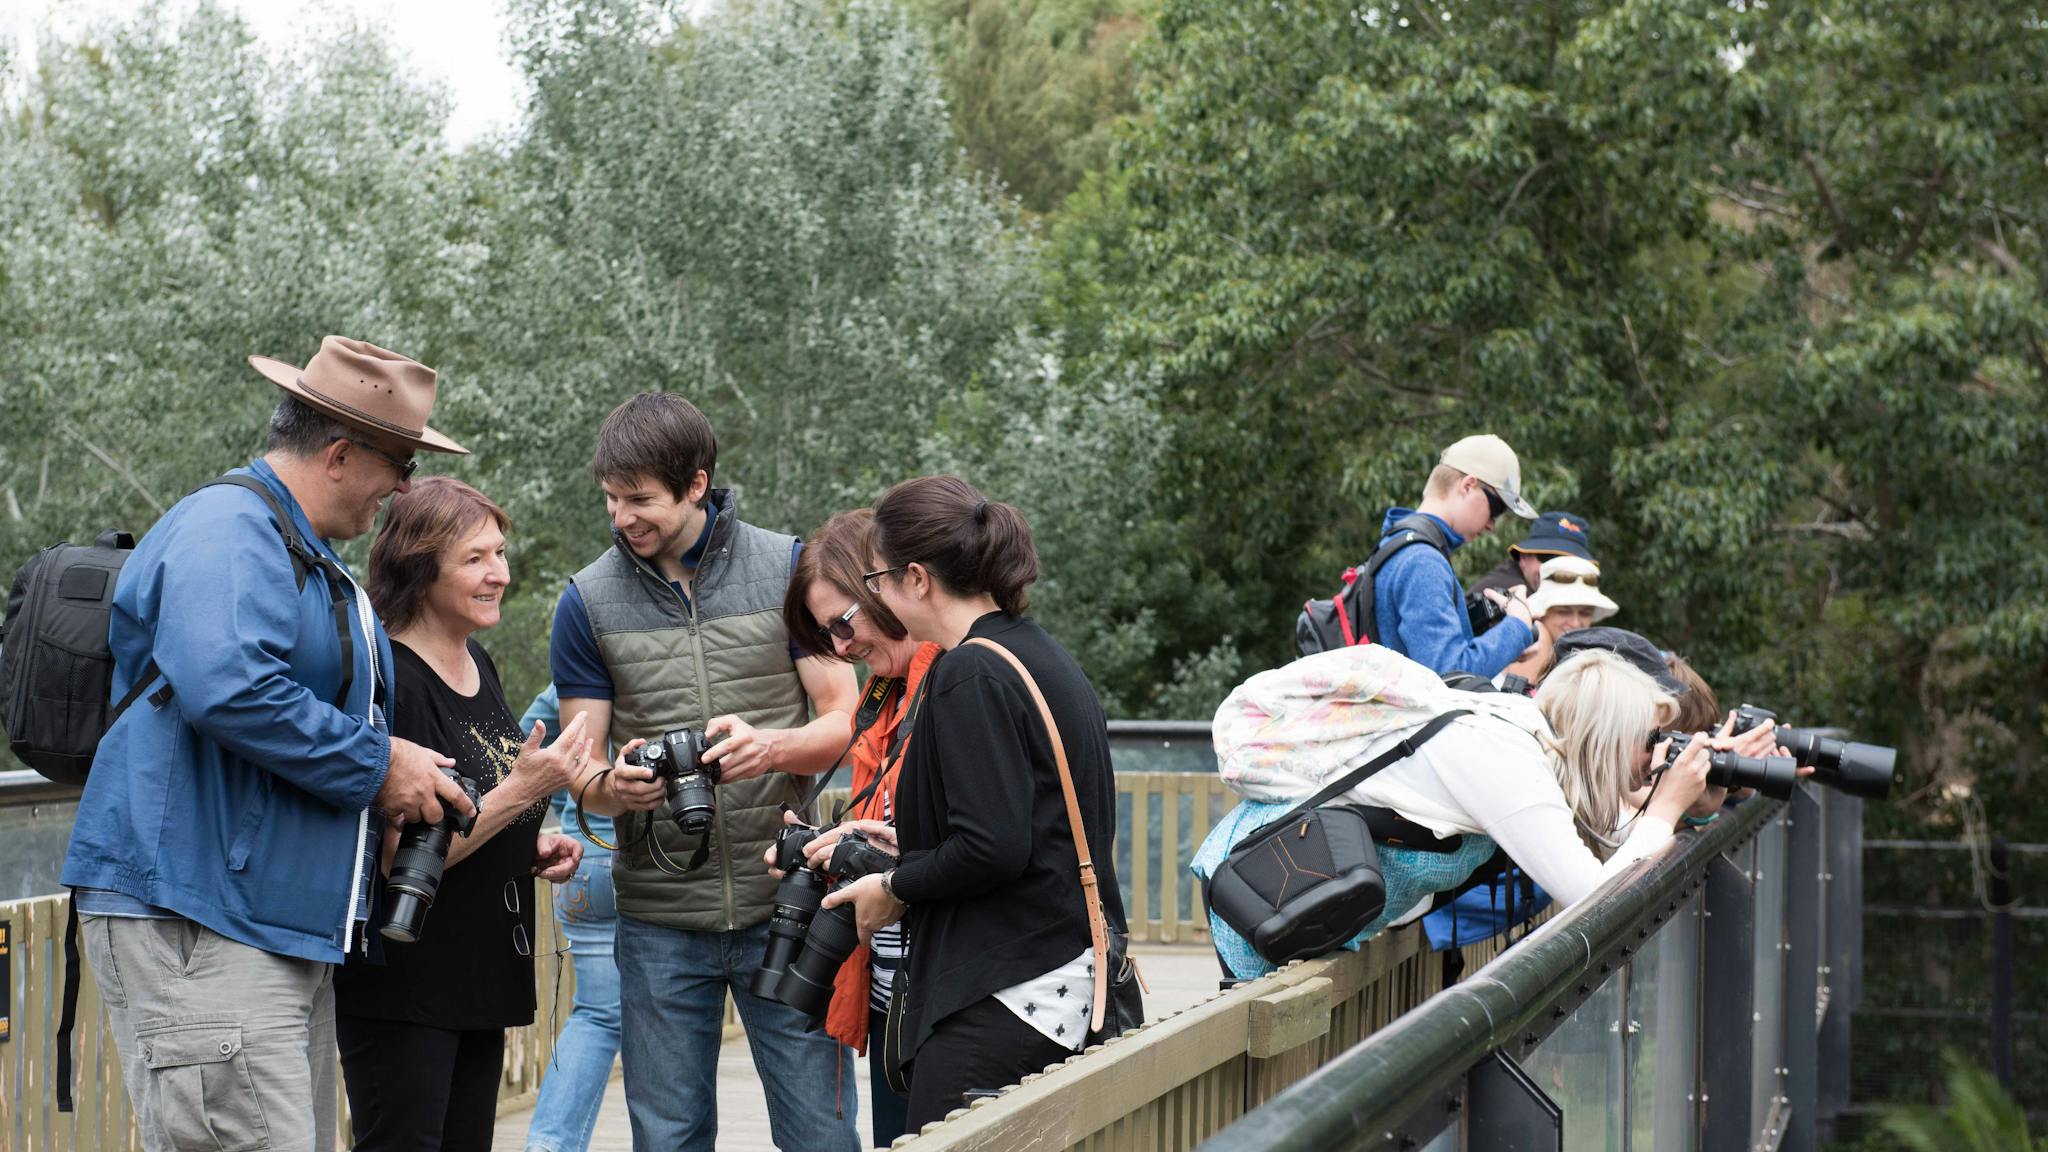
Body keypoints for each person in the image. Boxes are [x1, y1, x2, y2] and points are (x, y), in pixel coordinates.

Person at [62, 336, 479, 1152]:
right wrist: (379, 766)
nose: (404, 487)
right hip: (195, 913)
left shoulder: (297, 546)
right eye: (399, 464)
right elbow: (231, 686)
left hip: (258, 922)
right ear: (338, 454)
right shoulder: (230, 526)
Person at [553, 393, 862, 1152]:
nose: (622, 517)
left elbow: (841, 718)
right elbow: (579, 763)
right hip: (658, 918)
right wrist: (610, 786)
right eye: (611, 499)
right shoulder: (584, 602)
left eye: (640, 499)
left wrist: (771, 748)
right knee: (668, 1140)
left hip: (787, 906)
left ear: (696, 484)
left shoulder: (789, 568)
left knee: (820, 1136)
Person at [821, 476, 1132, 1130]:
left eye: (876, 580)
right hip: (1057, 975)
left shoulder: (969, 672)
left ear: (916, 578)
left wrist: (894, 887)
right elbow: (1017, 824)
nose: (875, 595)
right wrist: (901, 850)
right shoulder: (1034, 653)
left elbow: (993, 847)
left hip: (1005, 995)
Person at [1191, 646, 1724, 980]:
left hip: (1300, 916)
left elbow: (1608, 840)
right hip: (1265, 894)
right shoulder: (1504, 758)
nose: (1653, 753)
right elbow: (1594, 896)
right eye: (1647, 740)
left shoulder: (1522, 740)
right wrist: (1668, 806)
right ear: (1607, 738)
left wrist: (1689, 800)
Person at [337, 478, 590, 1151]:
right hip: (408, 986)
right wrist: (520, 791)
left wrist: (527, 845)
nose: (499, 574)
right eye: (476, 558)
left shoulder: (478, 659)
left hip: (478, 977)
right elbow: (400, 859)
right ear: (421, 568)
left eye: (500, 554)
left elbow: (468, 811)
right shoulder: (394, 675)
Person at [766, 508, 940, 1148]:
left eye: (844, 623)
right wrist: (837, 843)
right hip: (895, 994)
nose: (840, 648)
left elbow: (989, 842)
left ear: (888, 586)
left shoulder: (957, 681)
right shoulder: (884, 693)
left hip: (954, 999)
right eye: (825, 635)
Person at [522, 683, 625, 1152]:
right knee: (665, 1017)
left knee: (598, 1016)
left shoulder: (569, 684)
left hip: (580, 863)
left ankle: (550, 1143)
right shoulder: (645, 661)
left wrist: (561, 803)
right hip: (635, 861)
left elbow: (517, 747)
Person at [1372, 434, 1539, 678]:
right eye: (1497, 508)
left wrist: (1501, 641)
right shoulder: (1422, 562)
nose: (1493, 525)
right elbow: (1449, 675)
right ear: (1468, 485)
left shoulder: (1398, 541)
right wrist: (1518, 626)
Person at [1501, 555, 1619, 683]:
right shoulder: (1537, 637)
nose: (1575, 623)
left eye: (1585, 613)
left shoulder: (1556, 645)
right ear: (1542, 611)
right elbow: (1518, 700)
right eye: (1563, 612)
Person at [1468, 511, 1597, 601]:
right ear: (1523, 558)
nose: (1557, 569)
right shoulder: (1509, 594)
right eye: (1548, 558)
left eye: (1571, 563)